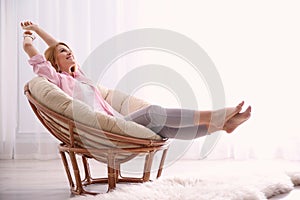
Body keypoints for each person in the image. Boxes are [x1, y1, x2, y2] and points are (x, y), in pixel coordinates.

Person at [21, 21, 251, 140]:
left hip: (116, 121)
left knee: (163, 128)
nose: (69, 52)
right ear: (53, 60)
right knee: (153, 112)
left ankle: (221, 125)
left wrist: (38, 27)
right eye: (63, 52)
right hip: (98, 129)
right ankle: (217, 114)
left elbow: (56, 44)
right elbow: (33, 50)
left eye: (69, 50)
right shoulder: (55, 78)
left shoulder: (78, 75)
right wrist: (29, 35)